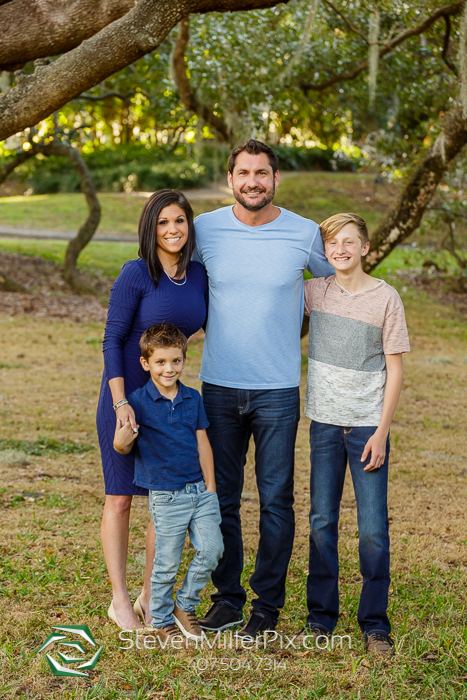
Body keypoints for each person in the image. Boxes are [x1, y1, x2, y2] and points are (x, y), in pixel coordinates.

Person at [193, 139, 334, 639]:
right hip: (218, 387)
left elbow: (337, 285)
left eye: (262, 172)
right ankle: (228, 600)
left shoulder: (303, 233)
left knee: (276, 501)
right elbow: (172, 276)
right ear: (229, 179)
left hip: (278, 389)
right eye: (243, 172)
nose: (253, 180)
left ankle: (266, 608)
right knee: (221, 498)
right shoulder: (204, 229)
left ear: (276, 179)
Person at [96, 190, 208, 630]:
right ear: (151, 228)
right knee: (121, 498)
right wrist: (121, 401)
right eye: (163, 222)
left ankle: (148, 595)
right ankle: (120, 600)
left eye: (179, 220)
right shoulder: (135, 274)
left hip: (171, 402)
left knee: (165, 503)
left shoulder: (198, 275)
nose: (172, 229)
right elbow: (111, 340)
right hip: (127, 398)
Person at [300, 213, 410, 653]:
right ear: (324, 253)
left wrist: (382, 432)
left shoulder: (386, 298)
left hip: (367, 426)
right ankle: (321, 617)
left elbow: (396, 370)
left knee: (372, 528)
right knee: (322, 521)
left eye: (349, 242)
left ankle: (374, 623)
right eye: (332, 244)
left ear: (366, 248)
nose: (340, 250)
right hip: (324, 424)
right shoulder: (314, 292)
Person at [113, 324, 223, 643]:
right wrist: (123, 438)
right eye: (160, 362)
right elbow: (122, 446)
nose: (169, 369)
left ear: (184, 361)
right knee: (167, 561)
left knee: (212, 549)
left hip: (198, 491)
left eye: (175, 361)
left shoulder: (192, 398)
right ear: (146, 363)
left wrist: (211, 490)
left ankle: (183, 605)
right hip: (166, 495)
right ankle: (160, 618)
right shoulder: (138, 402)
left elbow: (203, 444)